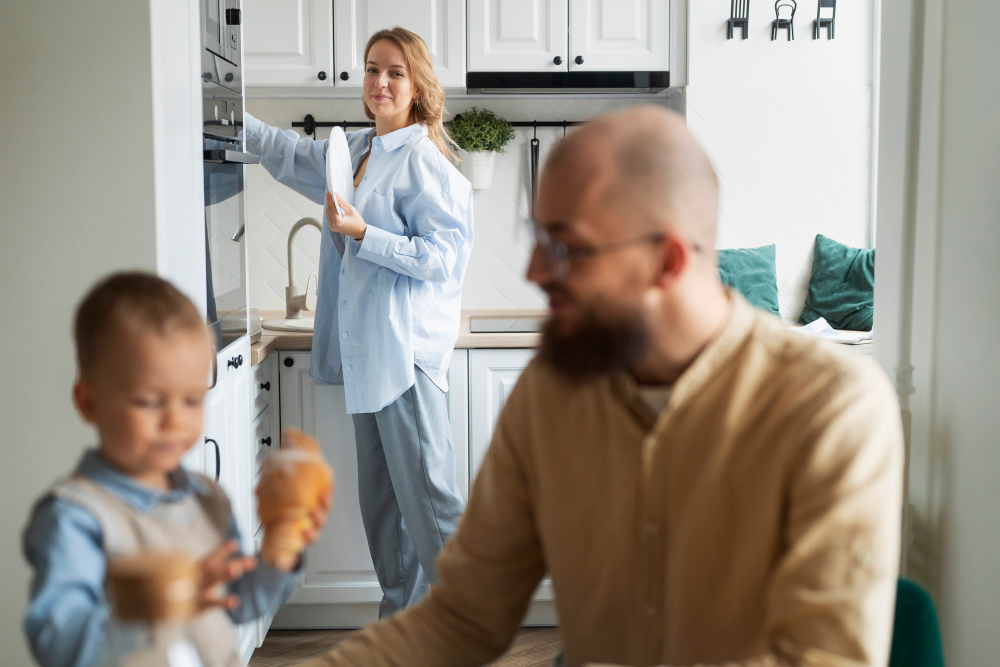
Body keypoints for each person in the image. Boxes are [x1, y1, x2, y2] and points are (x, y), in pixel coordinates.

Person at [294, 106, 905, 667]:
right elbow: (462, 614)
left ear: (665, 262)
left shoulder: (832, 412)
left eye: (564, 248)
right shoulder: (552, 395)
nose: (535, 274)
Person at [242, 27, 472, 617]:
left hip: (405, 358)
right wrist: (221, 111)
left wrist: (365, 235)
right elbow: (291, 154)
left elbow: (444, 259)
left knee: (431, 504)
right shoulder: (359, 153)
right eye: (372, 70)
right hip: (371, 359)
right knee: (386, 509)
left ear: (417, 83)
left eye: (395, 72)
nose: (380, 82)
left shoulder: (427, 164)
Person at [22, 273, 329, 667]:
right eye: (149, 402)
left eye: (191, 400)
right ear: (88, 402)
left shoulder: (205, 499)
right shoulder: (75, 518)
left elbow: (234, 604)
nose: (174, 421)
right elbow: (58, 644)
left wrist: (280, 549)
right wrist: (171, 600)